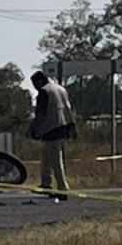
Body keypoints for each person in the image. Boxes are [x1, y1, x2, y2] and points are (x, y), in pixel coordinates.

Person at [28, 71, 76, 200]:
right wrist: (72, 126)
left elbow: (40, 114)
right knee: (46, 158)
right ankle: (46, 184)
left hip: (51, 128)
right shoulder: (61, 89)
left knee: (55, 159)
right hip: (63, 126)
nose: (34, 87)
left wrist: (33, 129)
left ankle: (62, 187)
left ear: (39, 81)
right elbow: (70, 108)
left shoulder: (44, 92)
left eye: (34, 84)